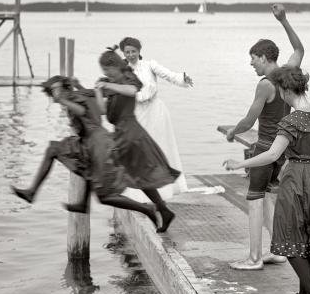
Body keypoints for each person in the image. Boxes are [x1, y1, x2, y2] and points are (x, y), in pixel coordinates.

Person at [224, 66, 310, 294]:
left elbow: (272, 155)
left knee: (287, 234)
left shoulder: (291, 121)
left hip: (296, 177)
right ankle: (305, 292)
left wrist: (240, 163)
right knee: (308, 231)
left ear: (285, 91)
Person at [11, 76, 161, 225]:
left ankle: (146, 209)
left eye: (57, 89)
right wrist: (77, 87)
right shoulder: (79, 94)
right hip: (90, 141)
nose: (55, 93)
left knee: (105, 197)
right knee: (60, 152)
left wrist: (63, 100)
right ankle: (79, 202)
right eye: (52, 90)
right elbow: (90, 103)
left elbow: (82, 111)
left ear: (65, 88)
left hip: (98, 144)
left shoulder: (72, 98)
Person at [223, 4, 305, 269]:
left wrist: (232, 132)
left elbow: (249, 120)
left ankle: (254, 258)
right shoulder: (288, 74)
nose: (251, 63)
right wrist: (284, 20)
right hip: (282, 150)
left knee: (255, 200)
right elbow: (299, 50)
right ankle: (277, 251)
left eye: (253, 58)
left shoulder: (265, 85)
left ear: (265, 57)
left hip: (265, 148)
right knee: (269, 197)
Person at [96, 50, 180, 233]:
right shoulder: (111, 82)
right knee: (139, 176)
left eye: (107, 69)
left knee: (116, 178)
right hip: (121, 132)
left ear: (115, 65)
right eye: (104, 71)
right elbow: (102, 111)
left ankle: (145, 208)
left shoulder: (127, 77)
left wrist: (108, 86)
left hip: (130, 134)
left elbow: (132, 90)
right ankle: (163, 210)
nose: (106, 73)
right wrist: (98, 91)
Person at [118, 36, 192, 199]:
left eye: (133, 51)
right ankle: (138, 190)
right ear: (123, 53)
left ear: (139, 51)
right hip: (136, 113)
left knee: (159, 148)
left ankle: (164, 188)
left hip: (156, 113)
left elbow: (169, 75)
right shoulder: (121, 70)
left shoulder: (150, 65)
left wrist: (183, 78)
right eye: (127, 52)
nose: (130, 55)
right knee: (138, 151)